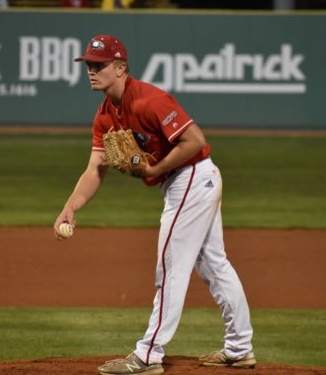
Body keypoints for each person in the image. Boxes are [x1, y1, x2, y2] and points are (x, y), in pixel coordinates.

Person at [53, 35, 256, 374]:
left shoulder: (150, 101)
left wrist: (155, 169)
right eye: (88, 65)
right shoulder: (105, 115)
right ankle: (240, 347)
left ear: (120, 68)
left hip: (190, 176)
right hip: (187, 181)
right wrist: (70, 207)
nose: (91, 70)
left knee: (170, 265)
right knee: (214, 264)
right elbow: (95, 168)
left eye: (99, 65)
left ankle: (148, 355)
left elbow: (196, 141)